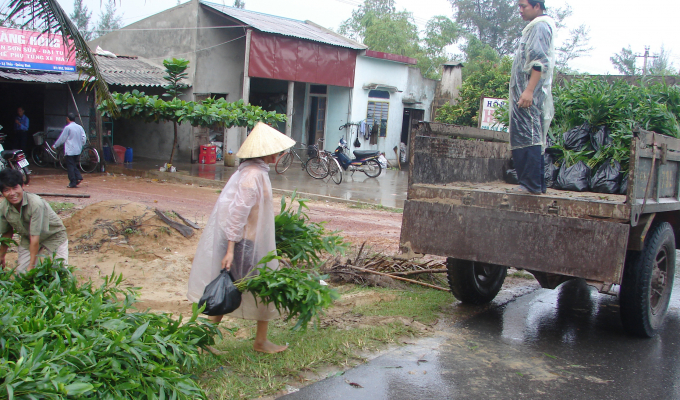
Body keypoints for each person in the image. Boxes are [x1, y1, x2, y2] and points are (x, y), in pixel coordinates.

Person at [187, 122, 295, 354]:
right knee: (257, 287)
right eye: (275, 150)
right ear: (265, 151)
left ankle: (209, 341)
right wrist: (230, 249)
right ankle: (258, 341)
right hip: (242, 244)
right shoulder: (252, 175)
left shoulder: (254, 172)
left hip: (246, 243)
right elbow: (237, 214)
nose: (278, 154)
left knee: (233, 288)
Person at [508, 0, 556, 194]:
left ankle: (531, 185)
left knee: (529, 137)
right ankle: (532, 185)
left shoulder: (540, 27)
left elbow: (538, 62)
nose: (520, 10)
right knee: (523, 136)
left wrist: (528, 90)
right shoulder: (534, 27)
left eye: (523, 6)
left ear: (537, 6)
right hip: (525, 93)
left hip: (530, 94)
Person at [0, 169, 68, 273]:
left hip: (53, 236)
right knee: (22, 274)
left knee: (60, 273)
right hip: (28, 238)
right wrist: (1, 255)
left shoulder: (35, 204)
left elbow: (35, 237)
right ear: (2, 192)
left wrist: (31, 266)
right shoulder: (3, 207)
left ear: (22, 186)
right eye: (6, 190)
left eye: (15, 188)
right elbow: (7, 232)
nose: (12, 193)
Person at [53, 113, 86, 189]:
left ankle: (73, 181)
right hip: (78, 150)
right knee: (73, 164)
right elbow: (84, 137)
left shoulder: (68, 128)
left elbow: (62, 138)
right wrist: (81, 144)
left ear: (68, 119)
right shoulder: (79, 127)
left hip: (70, 150)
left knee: (70, 166)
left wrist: (55, 145)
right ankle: (78, 177)